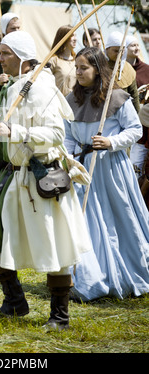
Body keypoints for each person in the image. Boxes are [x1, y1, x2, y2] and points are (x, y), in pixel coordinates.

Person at [0, 31, 92, 331]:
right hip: (15, 177)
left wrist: (17, 134)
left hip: (43, 179)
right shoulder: (14, 88)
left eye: (5, 54)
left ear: (22, 57)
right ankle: (15, 301)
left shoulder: (42, 89)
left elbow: (56, 135)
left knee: (54, 246)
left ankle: (59, 316)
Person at [64, 46, 149, 302]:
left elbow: (135, 130)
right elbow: (68, 136)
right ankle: (89, 277)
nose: (78, 72)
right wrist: (69, 160)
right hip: (82, 169)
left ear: (98, 69)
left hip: (111, 169)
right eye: (76, 67)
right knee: (86, 221)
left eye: (84, 68)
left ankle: (128, 270)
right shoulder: (71, 100)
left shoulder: (117, 98)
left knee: (118, 218)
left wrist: (111, 142)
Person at [125, 35, 149, 177]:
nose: (136, 48)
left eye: (137, 45)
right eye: (132, 45)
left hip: (142, 119)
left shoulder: (146, 69)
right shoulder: (120, 70)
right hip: (128, 119)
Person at [105, 31, 140, 112]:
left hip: (124, 112)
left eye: (122, 50)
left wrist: (136, 116)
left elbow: (134, 96)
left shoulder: (128, 68)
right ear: (107, 49)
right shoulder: (100, 66)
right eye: (116, 51)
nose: (119, 54)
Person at [49, 25, 77, 96]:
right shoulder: (53, 60)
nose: (75, 39)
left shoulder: (77, 60)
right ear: (63, 38)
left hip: (75, 103)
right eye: (72, 36)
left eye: (75, 35)